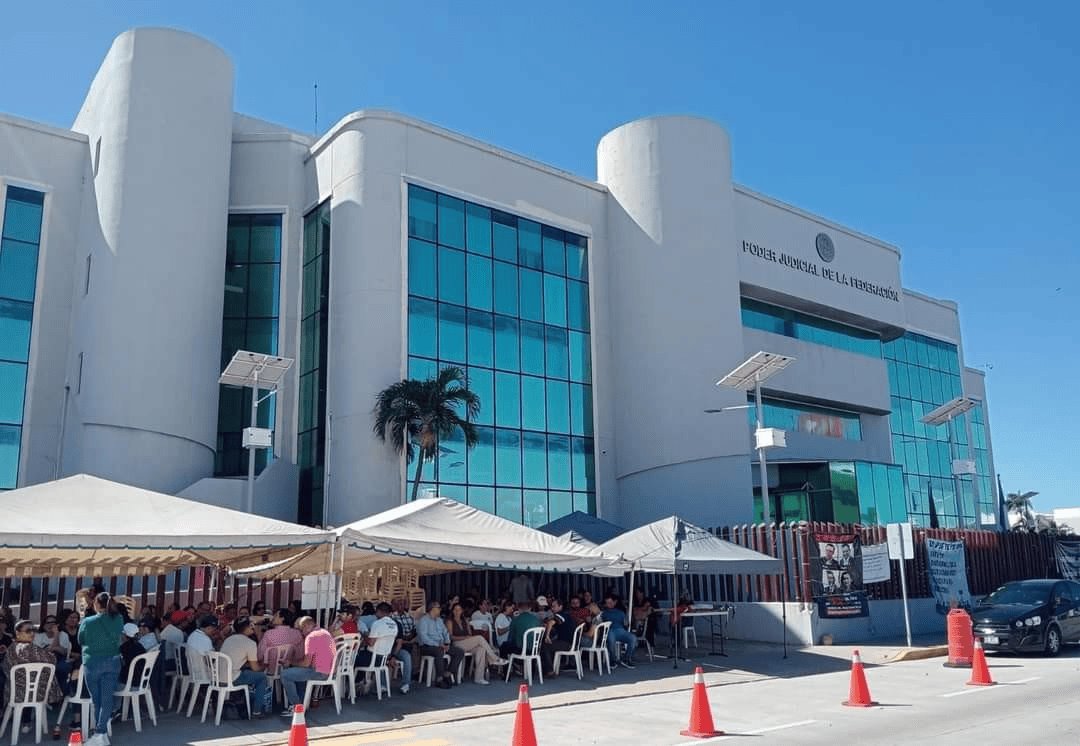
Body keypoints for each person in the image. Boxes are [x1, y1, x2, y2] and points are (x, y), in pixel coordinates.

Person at [4, 619, 64, 736]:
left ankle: (26, 720)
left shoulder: (11, 648)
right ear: (18, 633)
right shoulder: (31, 648)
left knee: (32, 682)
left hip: (13, 692)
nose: (32, 633)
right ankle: (29, 719)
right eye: (28, 630)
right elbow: (52, 660)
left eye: (33, 630)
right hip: (35, 693)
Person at [78, 593, 124, 746]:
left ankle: (99, 734)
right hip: (112, 661)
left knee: (96, 700)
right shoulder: (118, 618)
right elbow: (119, 636)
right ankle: (101, 733)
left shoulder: (88, 621)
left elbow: (81, 640)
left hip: (93, 662)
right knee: (107, 699)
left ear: (96, 604)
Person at [279, 616, 335, 715]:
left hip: (318, 672)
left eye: (301, 630)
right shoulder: (325, 632)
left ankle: (296, 707)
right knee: (298, 673)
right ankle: (302, 704)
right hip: (329, 671)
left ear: (306, 626)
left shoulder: (311, 637)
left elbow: (305, 663)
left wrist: (290, 662)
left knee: (285, 674)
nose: (301, 633)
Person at [445, 602, 506, 685]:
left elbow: (470, 634)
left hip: (467, 643)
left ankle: (479, 678)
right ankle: (495, 658)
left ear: (462, 611)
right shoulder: (450, 621)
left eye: (459, 609)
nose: (457, 611)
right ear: (452, 611)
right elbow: (450, 637)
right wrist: (464, 638)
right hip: (457, 643)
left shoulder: (465, 621)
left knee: (481, 649)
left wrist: (468, 637)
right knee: (480, 638)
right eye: (455, 610)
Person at [219, 617, 269, 717]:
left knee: (247, 672)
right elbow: (255, 668)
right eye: (252, 625)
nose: (253, 627)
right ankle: (257, 710)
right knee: (262, 678)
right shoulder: (250, 643)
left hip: (219, 676)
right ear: (248, 628)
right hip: (232, 678)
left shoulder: (228, 639)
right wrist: (264, 665)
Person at [416, 601, 462, 689]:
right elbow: (424, 638)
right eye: (438, 608)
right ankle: (439, 679)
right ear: (432, 609)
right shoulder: (424, 620)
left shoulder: (439, 620)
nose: (440, 610)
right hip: (426, 646)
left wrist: (447, 643)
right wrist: (438, 644)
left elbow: (445, 632)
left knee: (459, 652)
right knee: (439, 651)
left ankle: (447, 674)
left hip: (441, 645)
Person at [504, 601, 554, 675]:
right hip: (535, 651)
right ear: (530, 609)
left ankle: (505, 673)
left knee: (504, 646)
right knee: (531, 645)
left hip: (520, 651)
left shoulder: (515, 620)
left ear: (519, 609)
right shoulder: (536, 620)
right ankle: (531, 672)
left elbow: (510, 637)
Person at [600, 594, 637, 669]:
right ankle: (612, 660)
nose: (609, 604)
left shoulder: (621, 612)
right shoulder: (604, 613)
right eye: (607, 603)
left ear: (614, 602)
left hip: (621, 631)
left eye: (610, 602)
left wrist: (627, 620)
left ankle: (626, 659)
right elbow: (600, 624)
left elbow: (626, 624)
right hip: (610, 631)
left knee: (633, 638)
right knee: (611, 637)